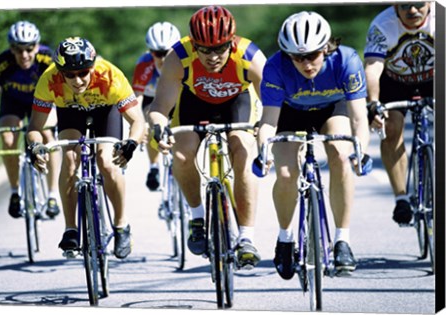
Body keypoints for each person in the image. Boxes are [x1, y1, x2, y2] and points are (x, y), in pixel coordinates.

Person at [255, 11, 372, 279]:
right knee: (285, 173)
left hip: (331, 110)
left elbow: (358, 117)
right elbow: (269, 122)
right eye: (298, 58)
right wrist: (264, 152)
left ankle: (342, 241)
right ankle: (285, 239)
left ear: (326, 47)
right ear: (287, 55)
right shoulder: (275, 68)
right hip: (289, 112)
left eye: (313, 55)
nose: (306, 64)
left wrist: (361, 150)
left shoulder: (347, 61)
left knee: (341, 156)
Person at [147, 5, 266, 269]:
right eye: (204, 49)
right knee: (181, 152)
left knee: (243, 150)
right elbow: (159, 107)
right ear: (193, 44)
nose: (212, 56)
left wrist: (264, 133)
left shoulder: (250, 56)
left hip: (237, 102)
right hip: (194, 104)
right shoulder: (178, 57)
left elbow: (273, 105)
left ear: (231, 42)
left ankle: (246, 238)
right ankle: (197, 216)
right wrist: (158, 127)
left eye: (220, 49)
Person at [26, 37, 145, 259]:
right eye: (69, 75)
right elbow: (34, 126)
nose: (77, 80)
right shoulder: (49, 80)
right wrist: (35, 146)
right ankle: (71, 228)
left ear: (92, 67)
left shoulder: (110, 76)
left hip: (105, 112)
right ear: (60, 72)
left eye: (83, 72)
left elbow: (138, 121)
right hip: (70, 113)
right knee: (70, 160)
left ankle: (121, 225)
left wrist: (131, 143)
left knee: (106, 163)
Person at [0, 20, 61, 219]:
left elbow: (62, 88)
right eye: (18, 49)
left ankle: (52, 195)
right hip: (13, 103)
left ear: (37, 45)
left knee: (48, 138)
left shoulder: (47, 58)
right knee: (8, 141)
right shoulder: (3, 62)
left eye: (29, 48)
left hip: (41, 101)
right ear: (11, 48)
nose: (24, 55)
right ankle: (15, 191)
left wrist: (59, 114)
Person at [364, 2, 434, 225]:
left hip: (434, 79)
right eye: (404, 5)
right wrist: (373, 103)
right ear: (395, 6)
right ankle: (402, 197)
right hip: (395, 82)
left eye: (418, 3)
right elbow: (373, 69)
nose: (412, 10)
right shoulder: (382, 25)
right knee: (391, 128)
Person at [132, 21, 181, 191]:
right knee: (152, 127)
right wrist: (141, 123)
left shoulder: (183, 61)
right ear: (150, 51)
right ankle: (154, 167)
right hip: (151, 99)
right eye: (156, 53)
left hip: (177, 97)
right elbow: (137, 98)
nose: (162, 59)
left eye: (166, 53)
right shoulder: (144, 64)